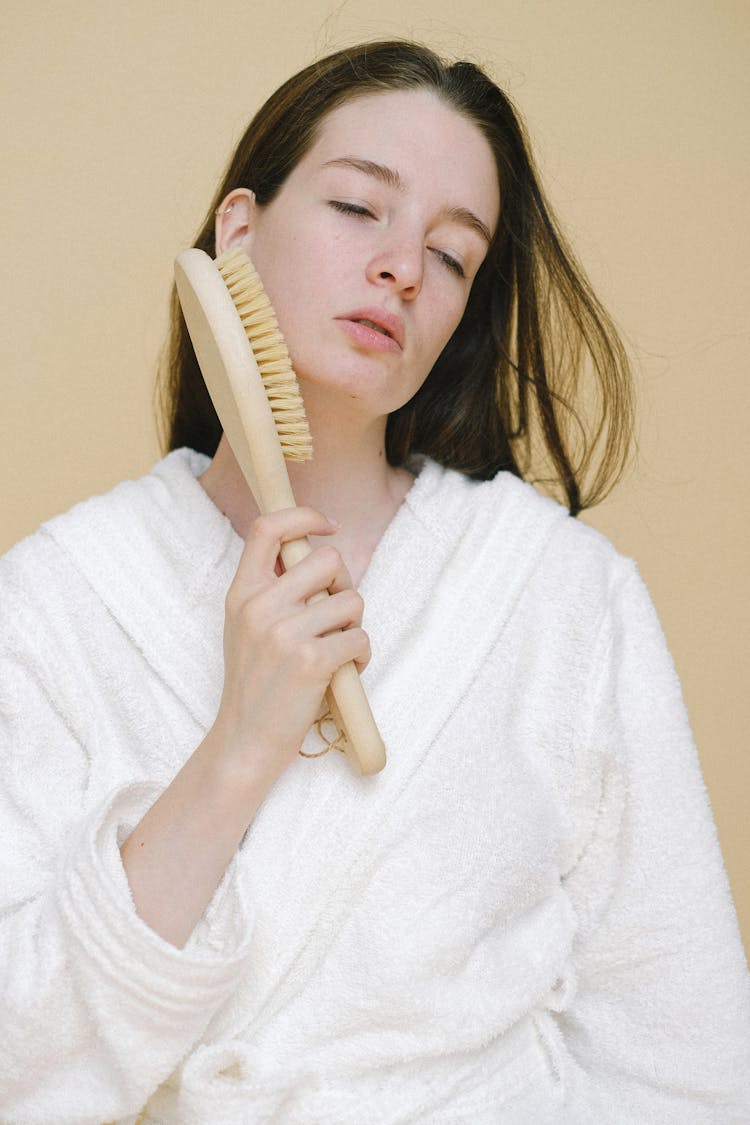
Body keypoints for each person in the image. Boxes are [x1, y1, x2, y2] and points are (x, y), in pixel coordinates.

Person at [1, 39, 748, 1125]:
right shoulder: (54, 603)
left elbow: (684, 1052)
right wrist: (237, 752)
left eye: (452, 256)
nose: (404, 266)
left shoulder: (558, 596)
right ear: (239, 233)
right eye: (359, 208)